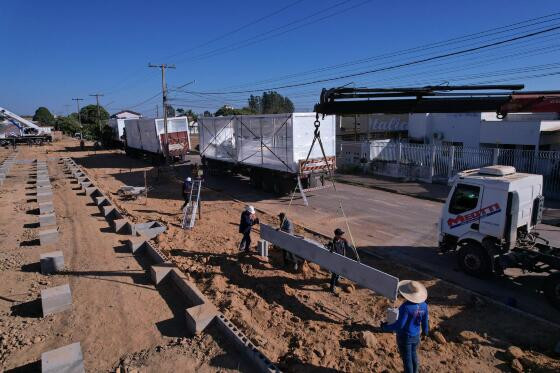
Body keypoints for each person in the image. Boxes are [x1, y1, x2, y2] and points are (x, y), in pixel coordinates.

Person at [382, 280, 429, 373]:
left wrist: (386, 327)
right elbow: (425, 321)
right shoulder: (424, 305)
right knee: (413, 355)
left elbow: (400, 325)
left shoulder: (406, 307)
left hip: (405, 337)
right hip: (416, 335)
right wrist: (425, 332)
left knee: (407, 360)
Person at [328, 228, 355, 292]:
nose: (341, 235)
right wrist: (330, 249)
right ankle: (332, 287)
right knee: (334, 274)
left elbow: (349, 248)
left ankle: (336, 282)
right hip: (335, 260)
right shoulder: (332, 242)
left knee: (339, 273)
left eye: (342, 234)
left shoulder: (343, 241)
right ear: (336, 235)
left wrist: (354, 255)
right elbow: (328, 250)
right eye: (340, 234)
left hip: (342, 259)